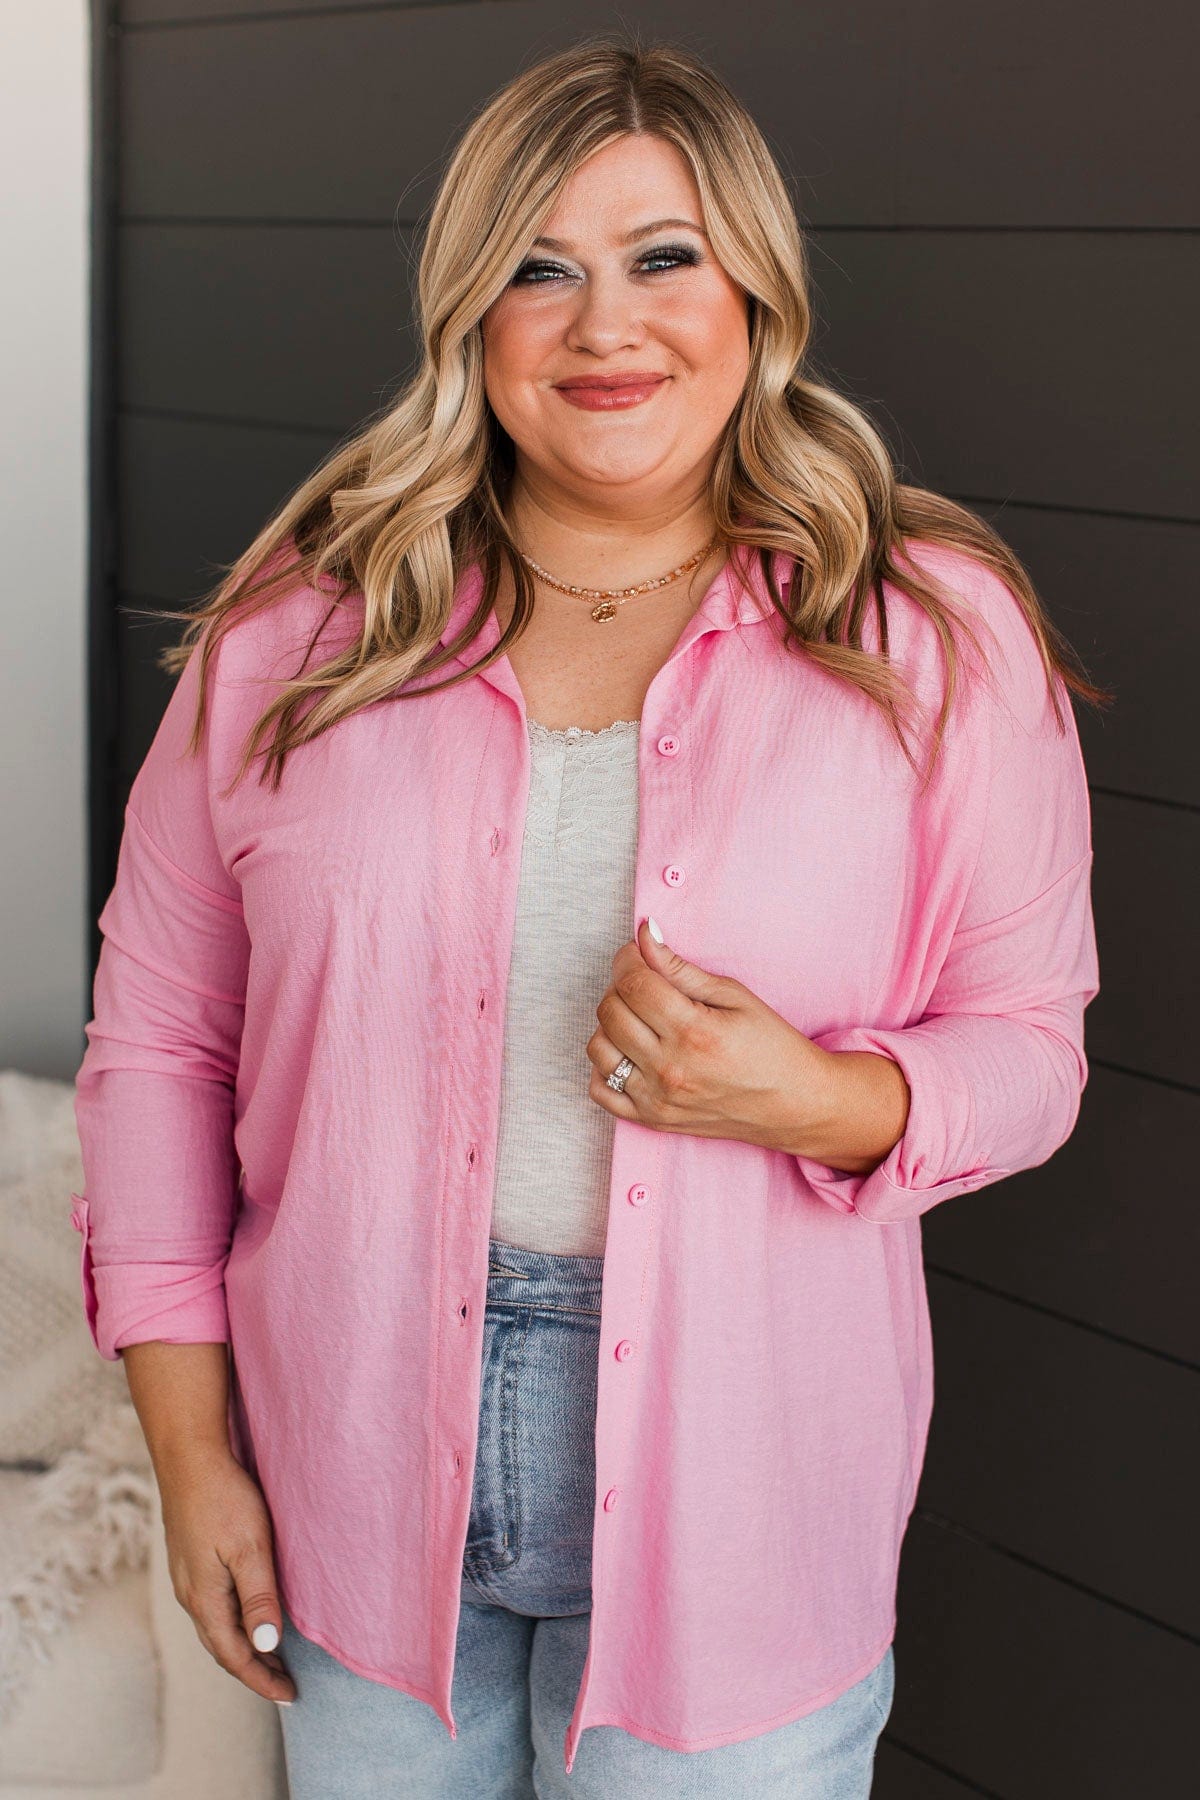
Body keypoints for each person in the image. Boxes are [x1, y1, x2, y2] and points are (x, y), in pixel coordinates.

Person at [70, 35, 1107, 1800]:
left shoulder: (937, 630)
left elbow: (1030, 1052)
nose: (603, 324)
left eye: (662, 257)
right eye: (538, 269)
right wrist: (192, 1451)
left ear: (756, 294)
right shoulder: (294, 633)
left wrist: (822, 1098)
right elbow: (160, 1043)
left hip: (750, 1505)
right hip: (351, 1461)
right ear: (471, 316)